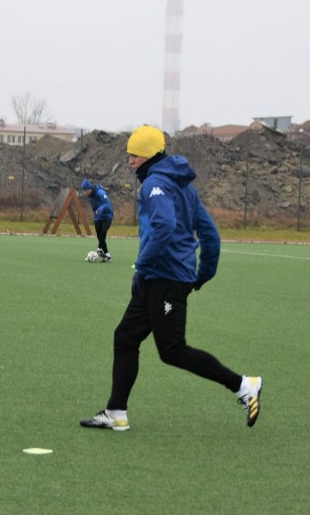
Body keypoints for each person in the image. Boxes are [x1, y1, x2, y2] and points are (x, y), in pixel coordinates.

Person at [80, 125, 262, 432]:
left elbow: (163, 228)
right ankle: (116, 412)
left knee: (172, 349)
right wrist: (202, 275)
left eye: (134, 155)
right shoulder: (185, 188)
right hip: (161, 277)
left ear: (149, 155)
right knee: (125, 337)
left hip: (164, 277)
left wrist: (142, 266)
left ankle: (244, 385)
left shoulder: (154, 185)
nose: (129, 161)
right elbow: (210, 236)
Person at [81, 178, 114, 262]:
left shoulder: (100, 193)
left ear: (90, 188)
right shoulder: (90, 196)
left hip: (107, 216)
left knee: (103, 234)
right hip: (98, 217)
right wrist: (96, 213)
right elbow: (94, 206)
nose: (86, 192)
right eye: (84, 191)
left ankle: (100, 249)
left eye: (86, 190)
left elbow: (107, 204)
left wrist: (100, 209)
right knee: (99, 236)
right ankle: (106, 254)